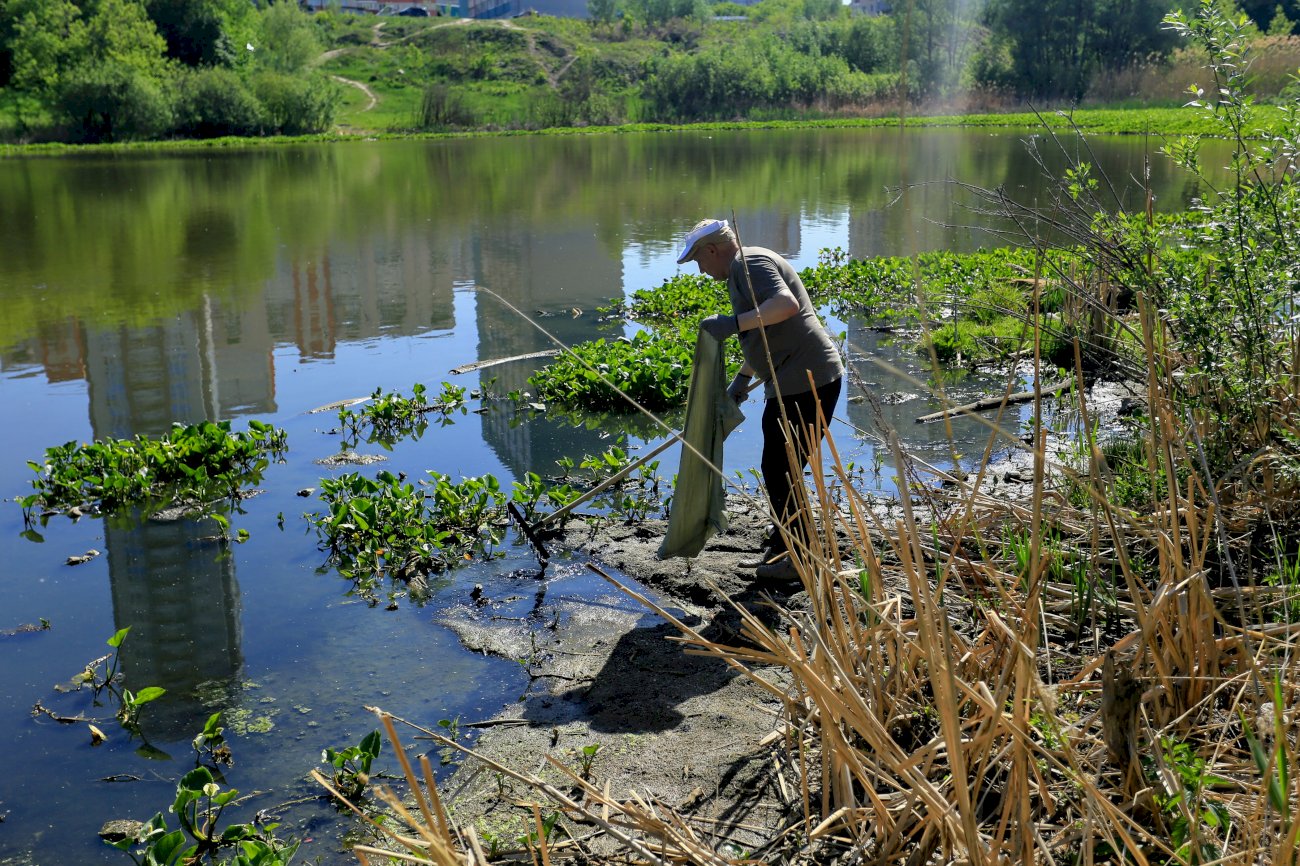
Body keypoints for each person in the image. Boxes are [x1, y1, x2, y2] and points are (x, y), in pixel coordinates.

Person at [676, 218, 843, 582]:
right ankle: (786, 544)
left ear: (712, 250)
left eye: (699, 261)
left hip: (807, 379)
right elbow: (765, 330)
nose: (701, 270)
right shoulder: (742, 267)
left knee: (780, 468)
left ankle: (799, 559)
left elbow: (784, 305)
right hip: (794, 378)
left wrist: (733, 323)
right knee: (782, 466)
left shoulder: (747, 263)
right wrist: (741, 380)